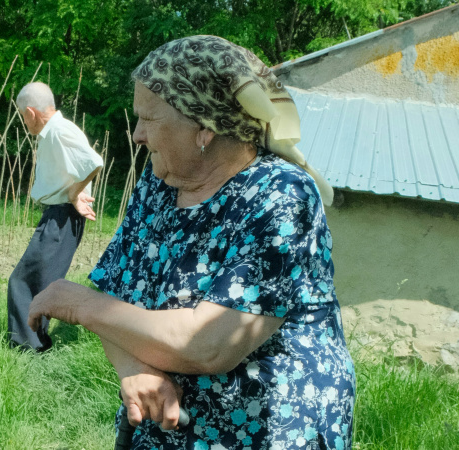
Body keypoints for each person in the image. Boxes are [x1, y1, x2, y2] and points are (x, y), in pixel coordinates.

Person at [27, 36, 355, 449]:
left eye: (149, 119)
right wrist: (133, 367)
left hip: (270, 427)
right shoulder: (160, 182)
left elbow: (211, 344)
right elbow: (118, 300)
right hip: (165, 420)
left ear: (204, 127)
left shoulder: (281, 195)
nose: (137, 135)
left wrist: (75, 303)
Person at [7, 81, 103, 352]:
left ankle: (27, 348)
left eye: (22, 116)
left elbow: (93, 161)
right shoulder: (52, 132)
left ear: (30, 112)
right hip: (58, 215)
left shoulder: (59, 130)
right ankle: (36, 343)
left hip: (62, 217)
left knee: (24, 280)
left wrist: (74, 191)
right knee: (39, 281)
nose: (24, 123)